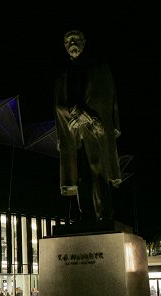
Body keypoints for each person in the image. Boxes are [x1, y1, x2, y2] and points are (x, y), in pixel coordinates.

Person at [55, 29, 122, 226]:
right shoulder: (62, 75)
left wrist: (90, 116)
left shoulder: (100, 69)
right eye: (68, 41)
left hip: (96, 130)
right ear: (64, 45)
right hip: (74, 133)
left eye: (76, 39)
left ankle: (105, 215)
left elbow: (107, 100)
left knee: (100, 173)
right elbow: (58, 105)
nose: (72, 43)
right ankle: (87, 216)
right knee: (80, 175)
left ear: (84, 41)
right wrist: (75, 113)